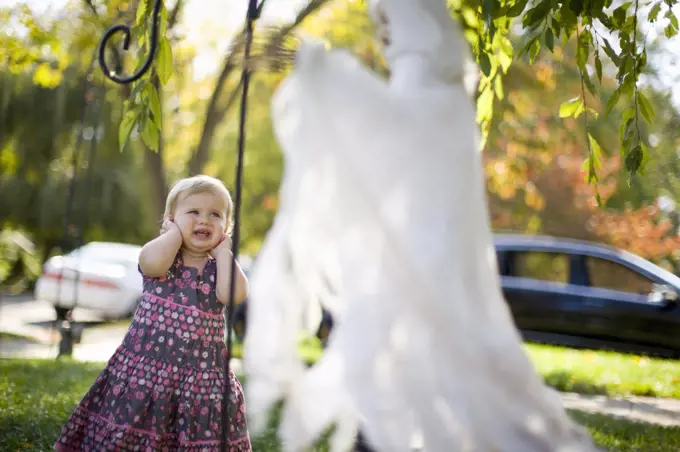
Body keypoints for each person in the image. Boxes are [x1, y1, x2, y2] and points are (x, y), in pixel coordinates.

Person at [55, 175, 251, 451]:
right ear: (171, 218)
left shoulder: (220, 267)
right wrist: (172, 234)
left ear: (226, 228)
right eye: (193, 212)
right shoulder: (164, 256)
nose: (204, 220)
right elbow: (150, 264)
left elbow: (234, 294)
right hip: (146, 371)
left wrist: (224, 253)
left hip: (203, 377)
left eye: (215, 215)